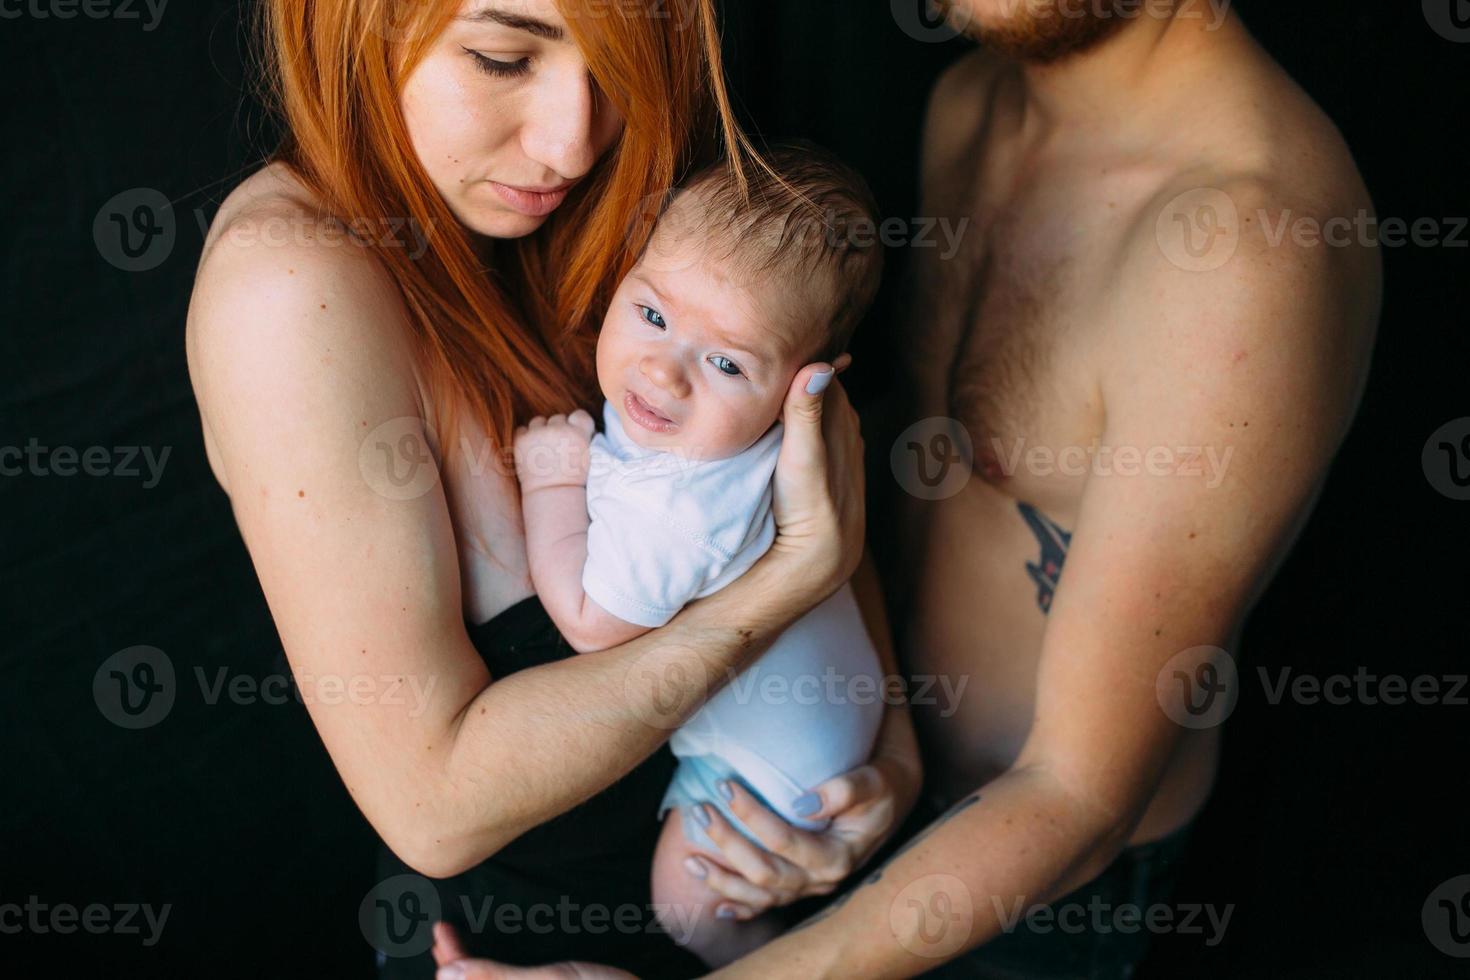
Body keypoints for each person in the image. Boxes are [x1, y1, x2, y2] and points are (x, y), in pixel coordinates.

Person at [432, 0, 1381, 976]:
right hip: (846, 784)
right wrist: (888, 753)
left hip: (1024, 886)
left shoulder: (1248, 248)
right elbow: (870, 472)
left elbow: (1080, 797)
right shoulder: (973, 100)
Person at [184, 1, 917, 976]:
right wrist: (788, 581)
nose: (573, 140)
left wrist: (886, 772)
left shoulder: (630, 189)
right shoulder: (288, 289)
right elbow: (432, 809)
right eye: (500, 56)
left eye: (619, 64)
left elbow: (783, 485)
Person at [509, 145, 898, 967]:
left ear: (809, 383)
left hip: (768, 774)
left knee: (685, 902)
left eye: (725, 362)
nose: (662, 371)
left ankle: (750, 951)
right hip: (845, 714)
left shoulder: (679, 510)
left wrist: (550, 484)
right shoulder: (765, 442)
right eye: (652, 314)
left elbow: (592, 626)